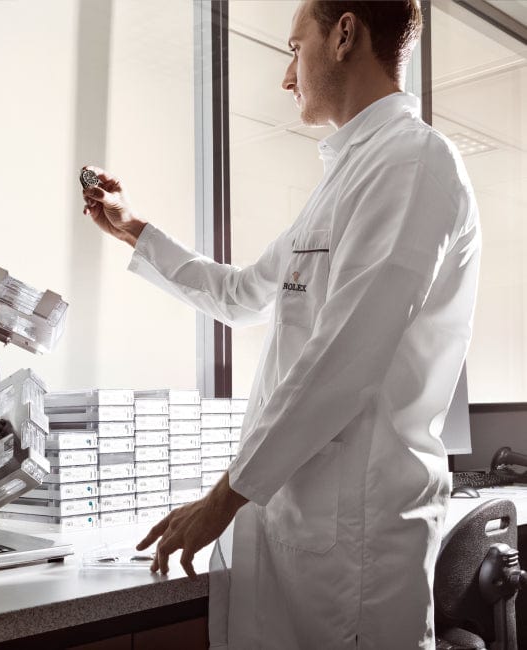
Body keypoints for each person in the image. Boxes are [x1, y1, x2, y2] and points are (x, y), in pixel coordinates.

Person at [81, 0, 480, 647]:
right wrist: (131, 229)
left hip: (355, 540)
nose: (286, 77)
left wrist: (222, 498)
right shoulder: (345, 176)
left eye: (294, 49)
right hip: (301, 522)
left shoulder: (413, 164)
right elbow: (243, 294)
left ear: (344, 33)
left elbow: (342, 360)